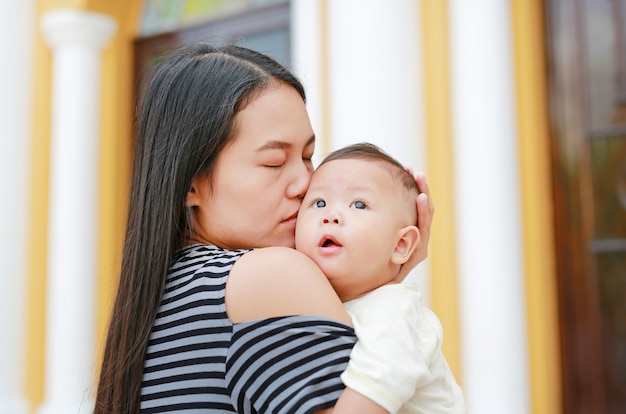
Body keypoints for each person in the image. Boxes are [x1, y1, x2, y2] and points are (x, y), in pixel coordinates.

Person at [94, 43, 434, 414]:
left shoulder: (159, 300)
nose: (305, 183)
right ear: (191, 181)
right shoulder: (272, 274)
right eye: (274, 162)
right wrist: (389, 290)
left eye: (307, 157)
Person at [295, 143, 465, 414]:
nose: (331, 216)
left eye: (359, 204)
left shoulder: (394, 315)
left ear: (400, 246)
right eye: (319, 202)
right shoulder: (319, 302)